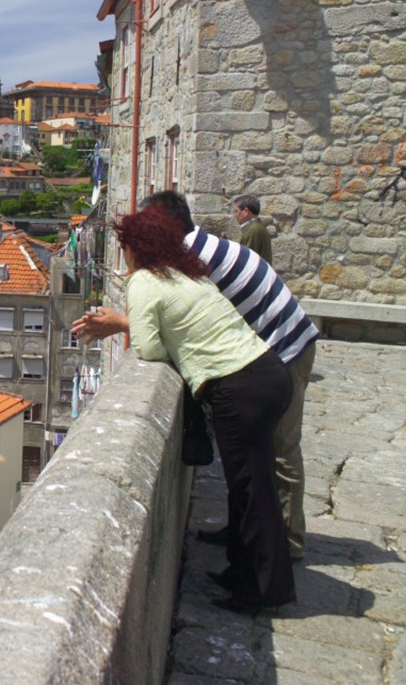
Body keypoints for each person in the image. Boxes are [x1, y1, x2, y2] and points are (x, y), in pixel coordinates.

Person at [74, 190, 318, 560]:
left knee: (281, 451)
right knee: (257, 456)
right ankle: (248, 535)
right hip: (270, 345)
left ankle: (287, 542)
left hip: (284, 346)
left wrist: (122, 323)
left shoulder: (187, 256)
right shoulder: (194, 246)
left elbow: (179, 321)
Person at [112, 207, 294, 613]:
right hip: (267, 372)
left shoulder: (144, 281)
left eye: (124, 246)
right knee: (246, 488)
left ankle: (264, 590)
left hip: (237, 387)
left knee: (253, 493)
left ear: (136, 248)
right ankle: (240, 572)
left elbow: (148, 347)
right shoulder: (188, 273)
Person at [233, 194, 272, 264]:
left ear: (245, 211)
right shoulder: (257, 227)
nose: (235, 215)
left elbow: (246, 259)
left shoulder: (253, 230)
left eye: (236, 211)